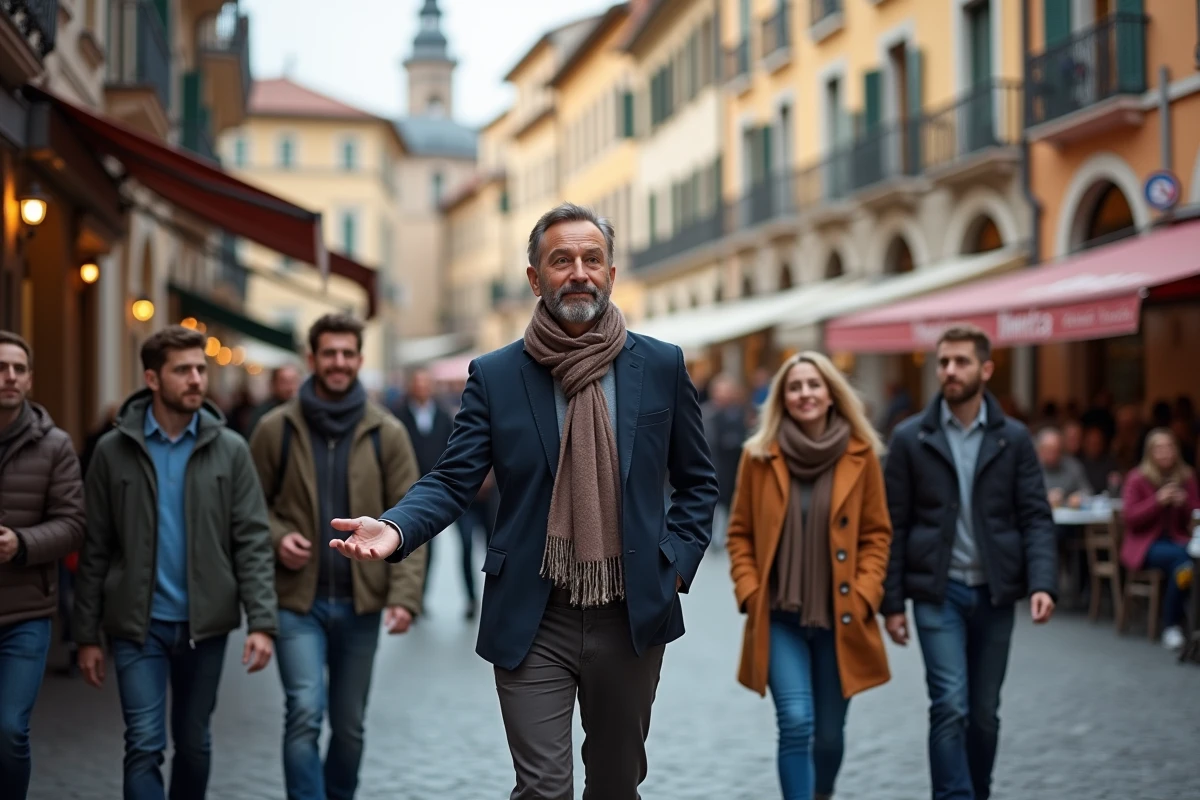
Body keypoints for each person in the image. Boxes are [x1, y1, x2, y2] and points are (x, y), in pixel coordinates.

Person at [326, 202, 719, 799]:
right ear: (536, 278)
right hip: (535, 614)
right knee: (542, 789)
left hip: (631, 610)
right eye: (561, 260)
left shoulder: (660, 365)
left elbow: (698, 482)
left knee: (615, 785)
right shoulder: (497, 374)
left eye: (592, 259)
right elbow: (452, 478)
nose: (579, 272)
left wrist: (676, 566)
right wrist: (396, 528)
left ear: (611, 273)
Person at [73, 325, 277, 800]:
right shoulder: (112, 451)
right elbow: (94, 546)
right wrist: (86, 635)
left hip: (204, 626)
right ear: (152, 378)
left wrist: (262, 622)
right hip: (135, 626)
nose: (196, 380)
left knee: (193, 744)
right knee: (143, 744)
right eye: (182, 370)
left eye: (200, 369)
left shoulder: (230, 449)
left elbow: (251, 539)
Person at [249, 313, 427, 800]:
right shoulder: (275, 429)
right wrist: (278, 536)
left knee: (348, 727)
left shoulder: (386, 433)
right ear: (312, 359)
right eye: (329, 353)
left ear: (360, 360)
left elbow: (412, 517)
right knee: (304, 712)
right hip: (296, 604)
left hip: (360, 603)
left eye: (348, 354)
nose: (339, 362)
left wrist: (405, 597)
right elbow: (247, 510)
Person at [882, 325, 1057, 800]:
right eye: (943, 362)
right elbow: (891, 525)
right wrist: (891, 603)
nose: (950, 371)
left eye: (960, 361)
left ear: (986, 369)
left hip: (996, 592)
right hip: (938, 593)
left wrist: (1043, 582)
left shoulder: (1014, 440)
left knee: (983, 712)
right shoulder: (909, 437)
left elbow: (1036, 517)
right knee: (950, 705)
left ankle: (978, 791)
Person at [726, 351, 892, 800]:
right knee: (797, 721)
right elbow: (738, 534)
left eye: (813, 385)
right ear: (783, 398)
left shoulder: (862, 456)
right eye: (795, 387)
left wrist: (864, 594)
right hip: (779, 617)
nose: (805, 394)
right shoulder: (758, 456)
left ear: (832, 394)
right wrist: (749, 589)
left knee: (830, 737)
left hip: (841, 617)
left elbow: (877, 535)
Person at [0, 331, 87, 799]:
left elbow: (74, 524)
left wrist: (21, 543)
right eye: (1, 367)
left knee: (9, 729)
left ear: (30, 378)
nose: (9, 376)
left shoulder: (54, 445)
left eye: (18, 368)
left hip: (25, 614)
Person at [1119, 428, 1199, 651]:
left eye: (1169, 448)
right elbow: (1131, 518)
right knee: (1186, 560)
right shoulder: (1138, 478)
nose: (1165, 453)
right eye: (1159, 449)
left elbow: (1196, 515)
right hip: (1146, 546)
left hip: (1178, 542)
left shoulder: (1186, 476)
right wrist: (1157, 501)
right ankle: (1172, 623)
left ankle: (1180, 621)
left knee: (1185, 565)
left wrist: (1184, 503)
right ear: (1150, 452)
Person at [392, 368, 455, 610]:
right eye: (417, 383)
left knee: (432, 546)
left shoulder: (442, 414)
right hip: (407, 487)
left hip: (438, 486)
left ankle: (422, 595)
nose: (421, 387)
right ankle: (413, 597)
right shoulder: (399, 413)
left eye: (425, 383)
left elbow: (451, 446)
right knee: (411, 542)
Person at [1035, 426, 1092, 508]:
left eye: (1056, 450)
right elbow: (1024, 496)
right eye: (1049, 450)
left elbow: (1087, 491)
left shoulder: (1073, 465)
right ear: (1040, 450)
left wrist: (1079, 497)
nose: (1053, 455)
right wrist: (1045, 498)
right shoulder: (1031, 469)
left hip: (1070, 516)